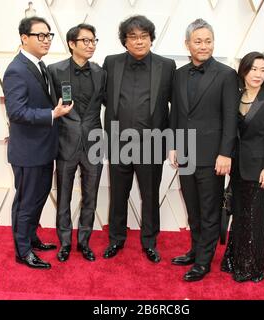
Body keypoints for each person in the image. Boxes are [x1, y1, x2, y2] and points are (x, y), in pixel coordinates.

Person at [169, 18, 239, 281]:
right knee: (193, 208)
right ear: (187, 44)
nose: (203, 46)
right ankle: (196, 250)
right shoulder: (178, 73)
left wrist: (225, 153)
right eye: (198, 41)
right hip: (186, 153)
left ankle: (203, 262)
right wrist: (174, 145)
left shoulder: (226, 74)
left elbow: (231, 117)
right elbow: (175, 111)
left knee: (209, 210)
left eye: (208, 41)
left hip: (212, 155)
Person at [102, 15, 176, 263]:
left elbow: (174, 107)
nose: (138, 41)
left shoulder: (166, 66)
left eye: (143, 36)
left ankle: (149, 241)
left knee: (150, 195)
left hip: (152, 144)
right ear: (124, 40)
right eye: (132, 36)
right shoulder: (111, 63)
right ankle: (116, 239)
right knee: (118, 194)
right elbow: (105, 99)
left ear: (151, 39)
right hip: (118, 142)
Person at [3, 16, 73, 269]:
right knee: (26, 202)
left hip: (44, 149)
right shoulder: (16, 69)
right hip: (28, 152)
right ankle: (23, 252)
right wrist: (52, 114)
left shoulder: (40, 66)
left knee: (38, 199)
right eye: (40, 36)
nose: (46, 40)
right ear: (24, 38)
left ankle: (30, 238)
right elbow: (16, 112)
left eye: (48, 35)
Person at [221, 51, 264, 283]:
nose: (258, 74)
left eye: (262, 70)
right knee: (238, 213)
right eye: (253, 69)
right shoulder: (234, 97)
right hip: (236, 166)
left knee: (254, 216)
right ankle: (234, 260)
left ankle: (252, 266)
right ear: (244, 71)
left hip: (258, 169)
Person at [48, 24, 105, 262]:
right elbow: (50, 105)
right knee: (64, 195)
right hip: (65, 142)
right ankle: (64, 243)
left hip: (94, 142)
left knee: (91, 196)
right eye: (85, 41)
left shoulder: (101, 72)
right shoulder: (54, 70)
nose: (91, 45)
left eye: (93, 41)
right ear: (72, 44)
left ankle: (84, 242)